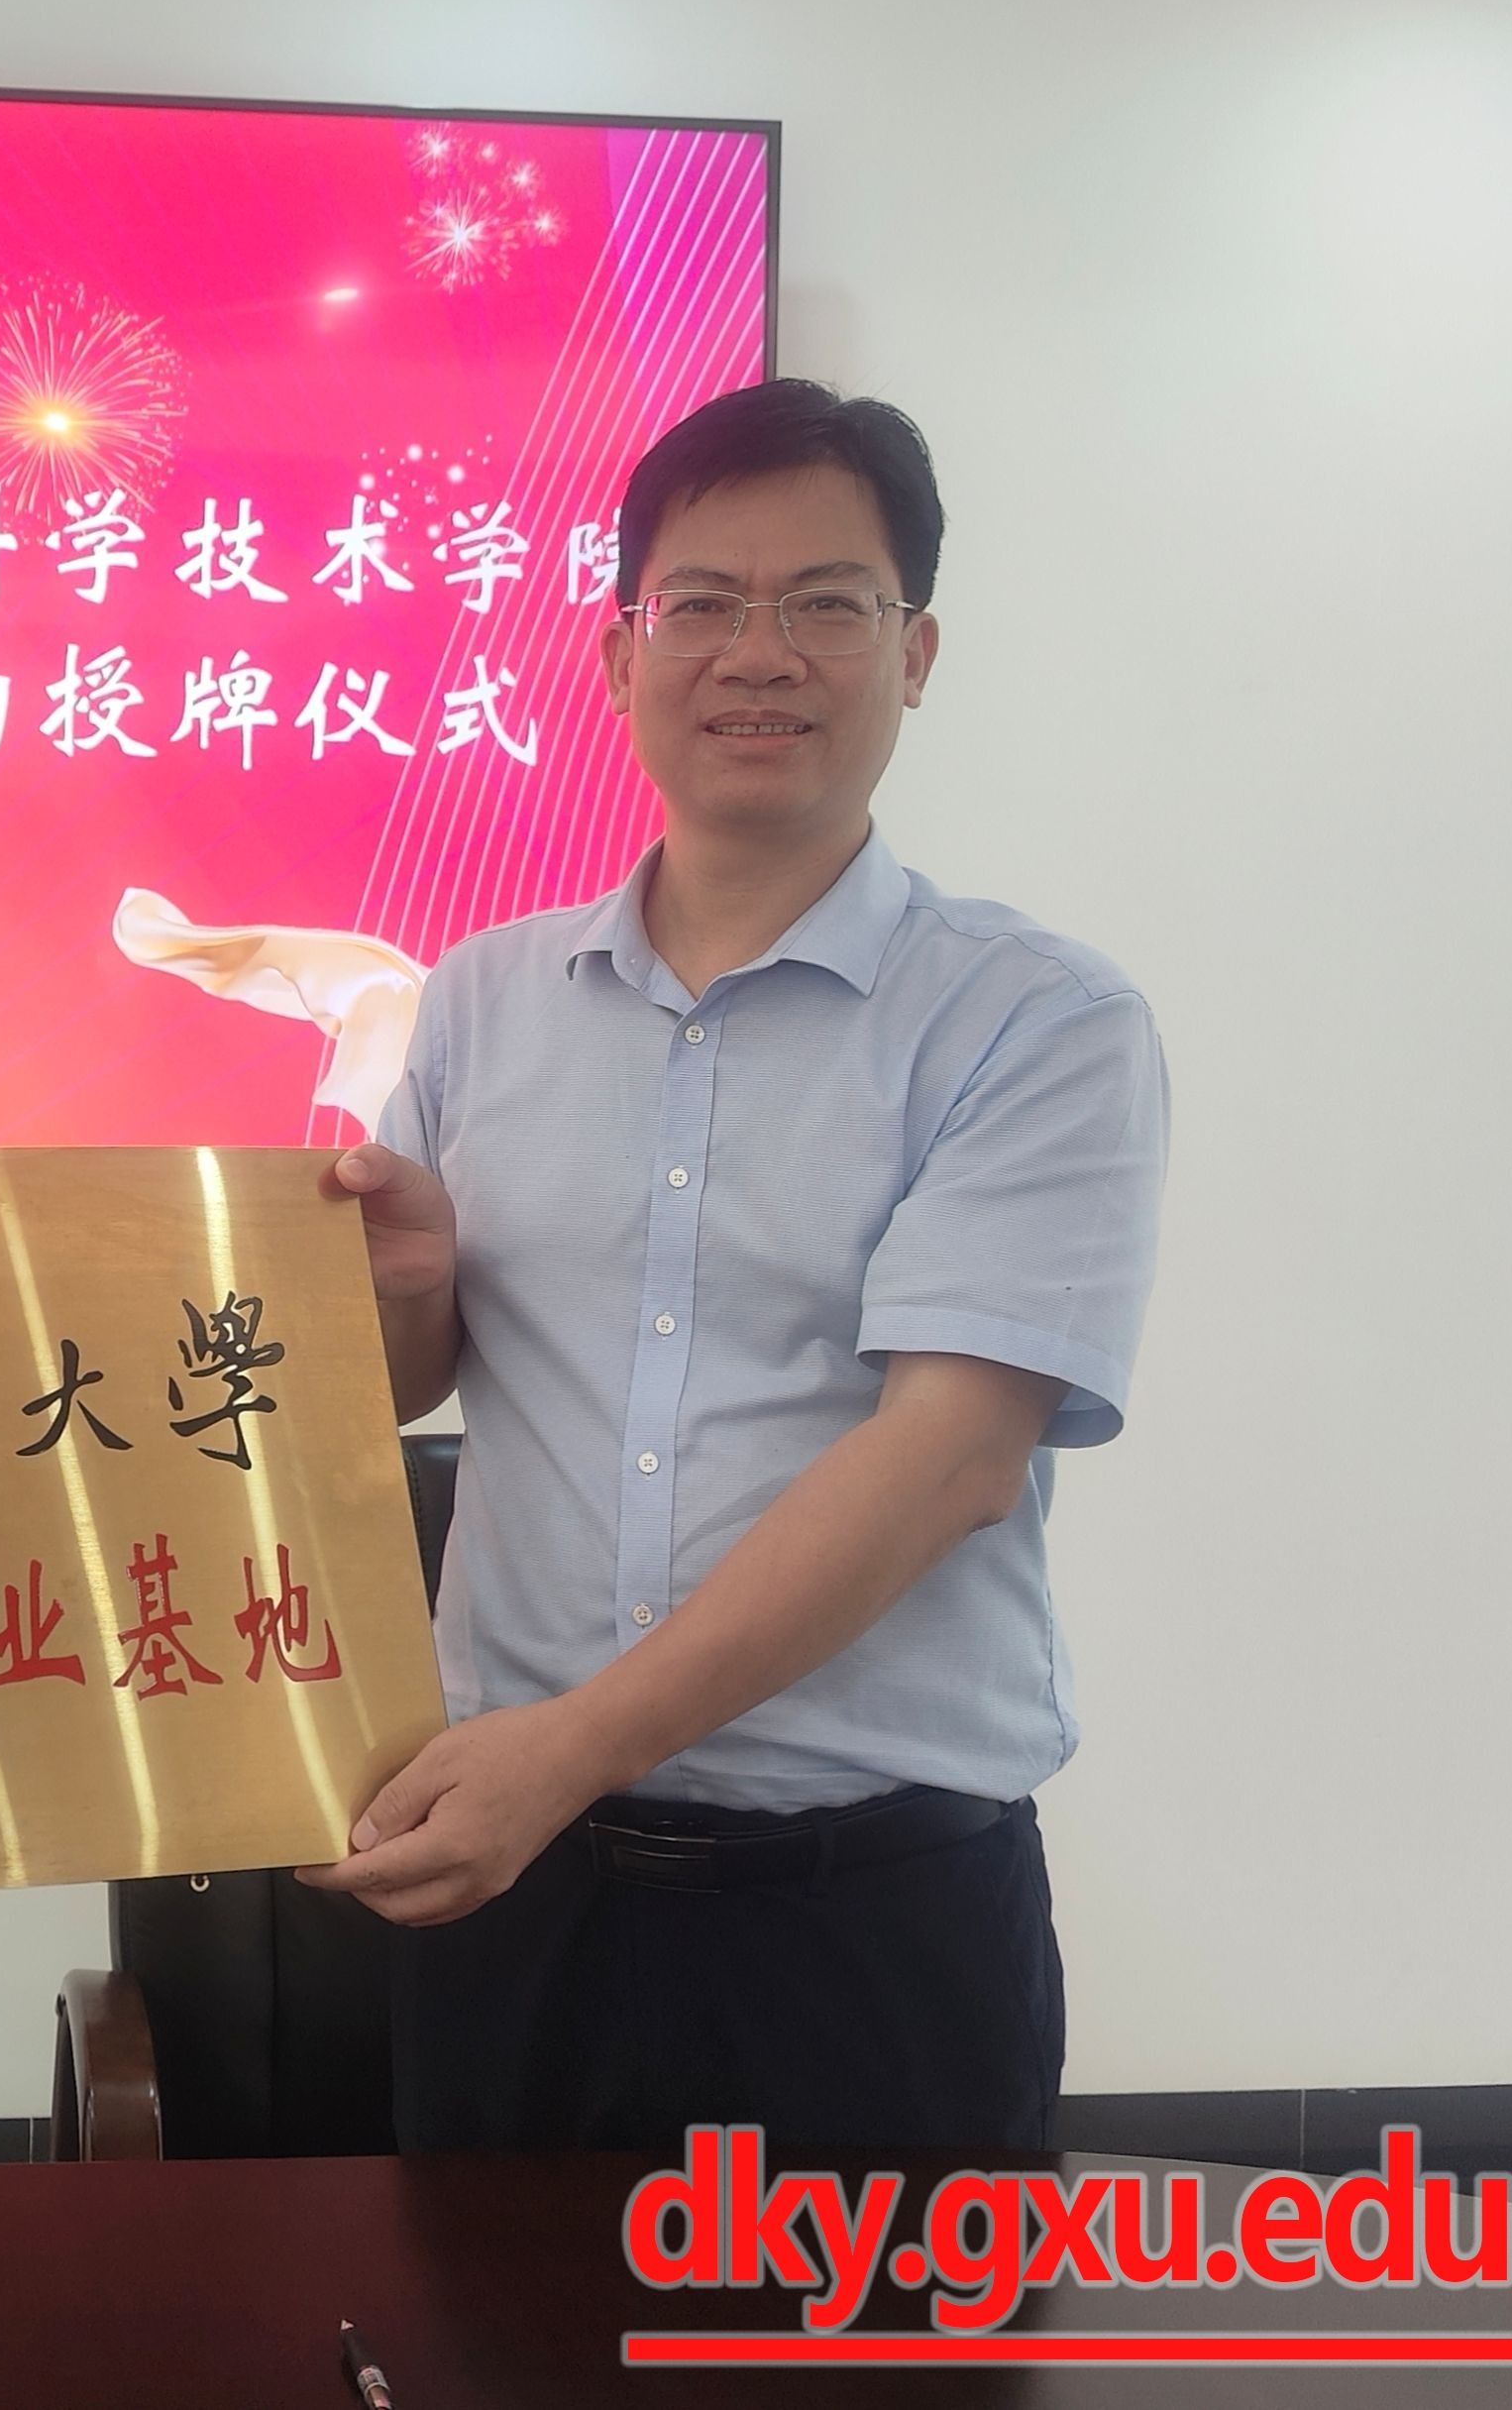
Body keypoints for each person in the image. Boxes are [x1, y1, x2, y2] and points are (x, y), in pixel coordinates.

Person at [310, 380, 1168, 2158]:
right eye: (699, 602)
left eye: (824, 605)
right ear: (616, 652)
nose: (755, 654)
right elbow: (398, 1392)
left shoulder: (1035, 1022)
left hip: (868, 1917)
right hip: (520, 1899)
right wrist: (405, 1292)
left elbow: (948, 1461)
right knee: (482, 2315)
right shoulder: (480, 998)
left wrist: (567, 1750)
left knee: (890, 2325)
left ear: (913, 654)